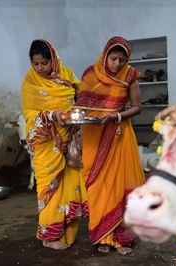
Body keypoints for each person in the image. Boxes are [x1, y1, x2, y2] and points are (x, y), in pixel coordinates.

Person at [75, 36, 145, 255]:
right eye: (113, 58)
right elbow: (81, 108)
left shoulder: (131, 76)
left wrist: (116, 116)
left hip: (119, 134)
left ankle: (121, 238)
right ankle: (102, 236)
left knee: (120, 185)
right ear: (105, 55)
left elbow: (137, 107)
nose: (117, 64)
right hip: (94, 136)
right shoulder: (90, 74)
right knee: (97, 186)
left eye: (122, 60)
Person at [21, 39, 87, 250]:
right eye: (35, 64)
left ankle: (67, 231)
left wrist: (74, 114)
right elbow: (29, 114)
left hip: (69, 139)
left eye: (44, 63)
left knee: (71, 186)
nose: (40, 68)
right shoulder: (30, 82)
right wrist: (51, 115)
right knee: (48, 187)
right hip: (47, 144)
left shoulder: (67, 75)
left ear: (54, 60)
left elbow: (81, 99)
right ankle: (49, 236)